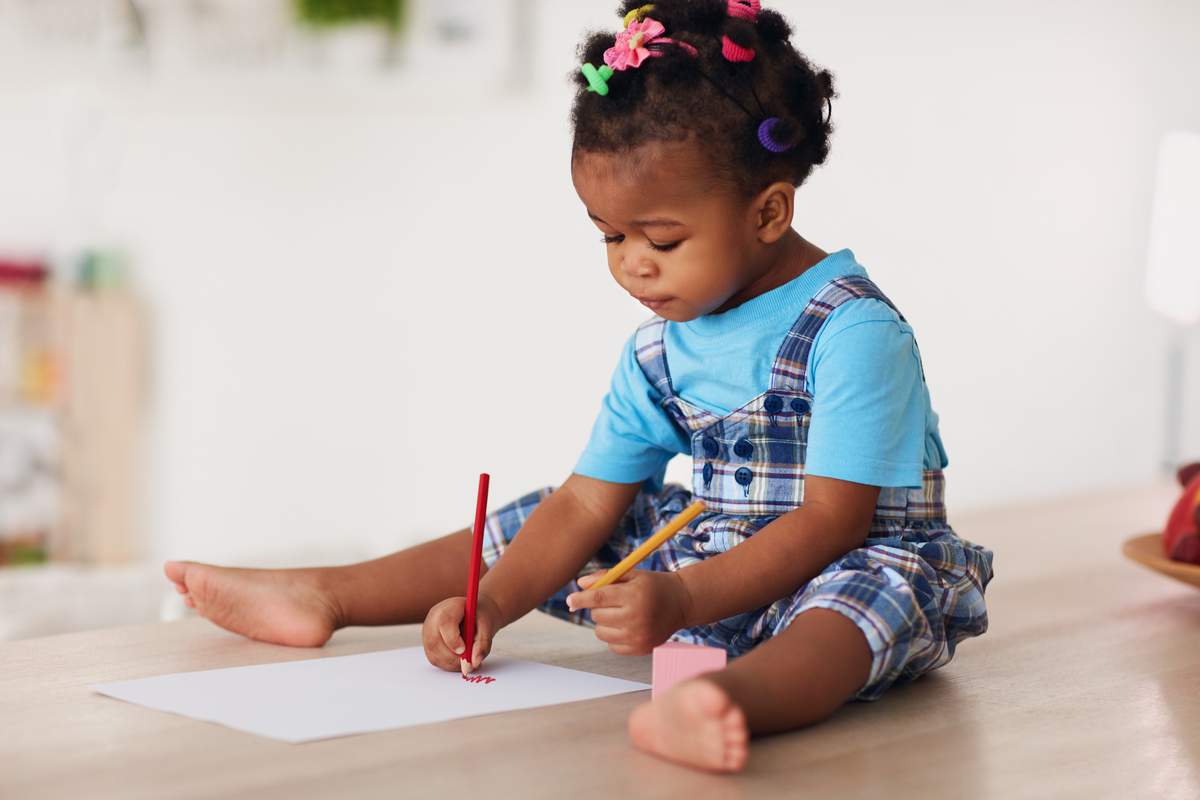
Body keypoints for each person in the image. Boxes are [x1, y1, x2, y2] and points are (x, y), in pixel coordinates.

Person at [164, 0, 993, 773]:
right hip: (708, 571)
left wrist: (682, 597)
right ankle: (324, 595)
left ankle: (721, 700)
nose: (632, 263)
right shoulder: (660, 348)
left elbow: (830, 522)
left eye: (662, 239)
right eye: (609, 236)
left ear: (769, 213)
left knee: (863, 602)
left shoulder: (852, 331)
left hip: (838, 563)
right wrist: (493, 605)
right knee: (538, 516)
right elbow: (586, 504)